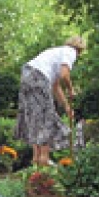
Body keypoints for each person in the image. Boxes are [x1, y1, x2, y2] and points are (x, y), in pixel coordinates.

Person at [15, 36, 84, 166]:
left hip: (27, 75)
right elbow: (65, 75)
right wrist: (71, 89)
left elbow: (56, 87)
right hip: (39, 78)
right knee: (47, 117)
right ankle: (44, 158)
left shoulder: (55, 53)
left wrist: (67, 107)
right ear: (79, 50)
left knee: (34, 117)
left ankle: (36, 159)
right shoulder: (70, 52)